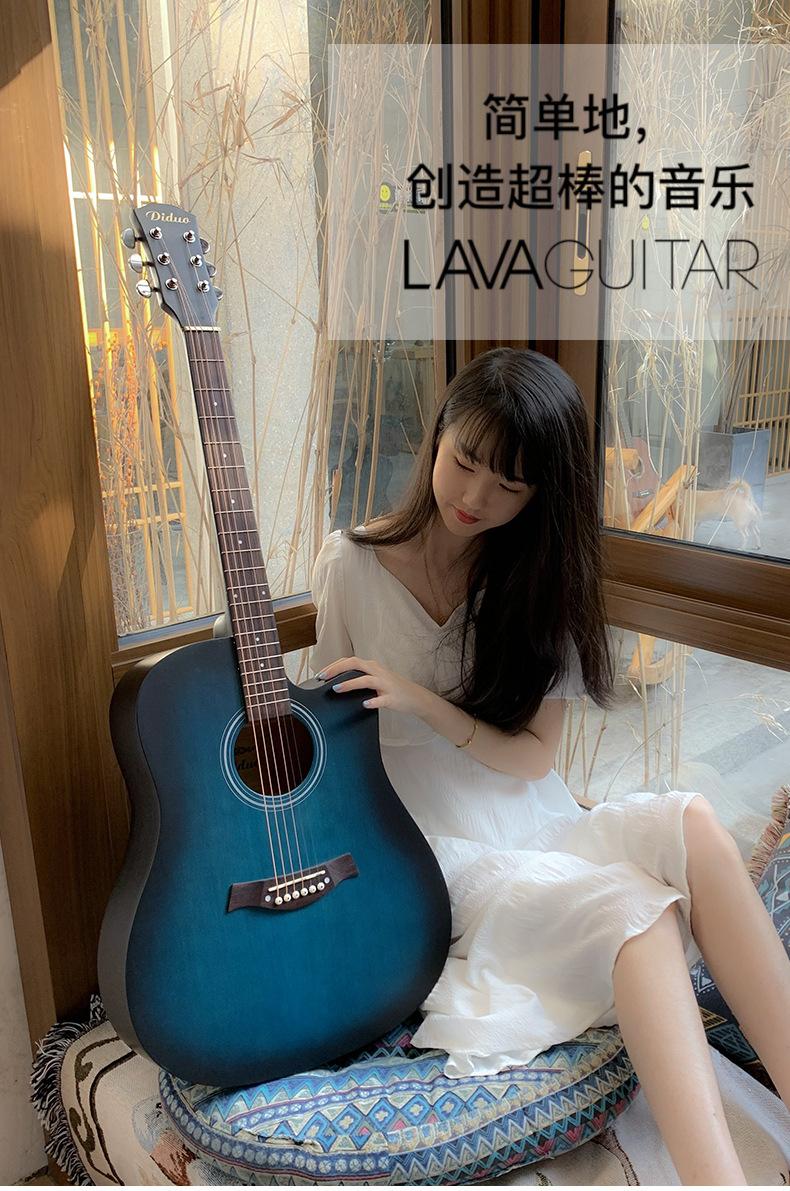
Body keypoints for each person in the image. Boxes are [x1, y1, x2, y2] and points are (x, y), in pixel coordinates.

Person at [308, 346, 790, 1185]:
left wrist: (422, 703)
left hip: (535, 814)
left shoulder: (535, 579)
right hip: (431, 850)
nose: (474, 496)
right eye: (465, 460)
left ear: (539, 495)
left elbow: (533, 758)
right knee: (638, 915)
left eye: (510, 485)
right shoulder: (348, 564)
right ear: (439, 432)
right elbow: (328, 747)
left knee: (693, 820)